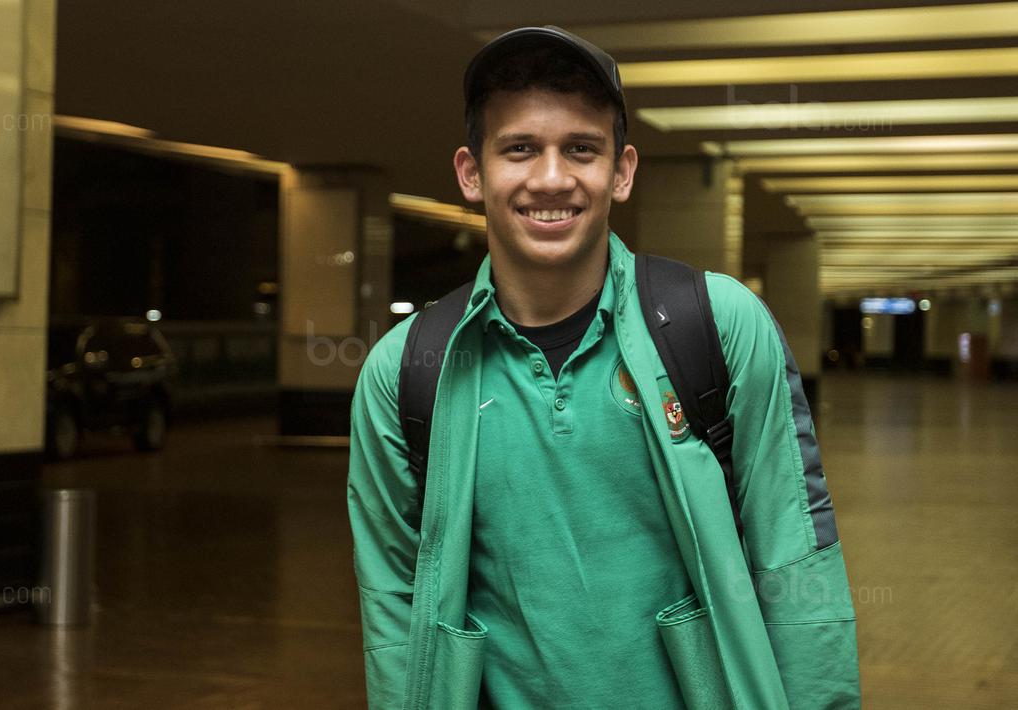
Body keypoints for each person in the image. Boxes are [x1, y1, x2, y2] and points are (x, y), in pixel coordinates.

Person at [347, 26, 860, 709]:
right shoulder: (406, 370)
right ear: (472, 173)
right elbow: (391, 601)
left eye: (581, 150)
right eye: (520, 149)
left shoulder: (716, 325)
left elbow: (794, 559)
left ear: (621, 172)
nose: (551, 177)